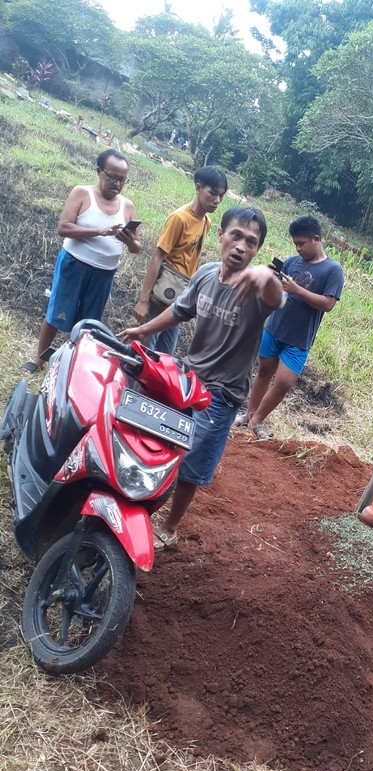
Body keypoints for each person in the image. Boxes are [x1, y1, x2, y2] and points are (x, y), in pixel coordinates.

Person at [120, 206, 283, 551]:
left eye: (251, 242)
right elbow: (180, 311)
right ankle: (136, 499)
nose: (241, 246)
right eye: (236, 235)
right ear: (220, 236)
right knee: (153, 437)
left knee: (192, 466)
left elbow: (276, 296)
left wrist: (265, 276)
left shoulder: (256, 288)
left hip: (221, 395)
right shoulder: (206, 274)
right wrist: (142, 328)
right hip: (187, 377)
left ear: (257, 251)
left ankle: (170, 526)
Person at [23, 149, 140, 373]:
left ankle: (74, 366)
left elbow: (137, 247)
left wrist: (129, 242)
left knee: (89, 322)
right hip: (74, 264)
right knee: (58, 311)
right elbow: (63, 228)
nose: (117, 183)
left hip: (104, 273)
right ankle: (39, 359)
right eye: (112, 176)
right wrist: (100, 231)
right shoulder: (82, 194)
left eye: (122, 179)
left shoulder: (128, 206)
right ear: (99, 171)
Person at [236, 215, 344, 438]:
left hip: (299, 338)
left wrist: (297, 291)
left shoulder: (333, 270)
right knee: (264, 371)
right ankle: (250, 416)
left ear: (316, 239)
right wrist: (270, 277)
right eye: (295, 244)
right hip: (274, 327)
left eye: (302, 243)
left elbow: (328, 304)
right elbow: (275, 291)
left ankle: (257, 421)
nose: (298, 248)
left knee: (284, 382)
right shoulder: (291, 262)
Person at [133, 166, 227, 354]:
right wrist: (143, 300)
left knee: (165, 354)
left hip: (180, 299)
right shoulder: (179, 218)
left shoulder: (206, 222)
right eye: (213, 193)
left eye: (221, 196)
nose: (217, 201)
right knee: (145, 351)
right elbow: (158, 257)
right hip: (162, 296)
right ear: (198, 188)